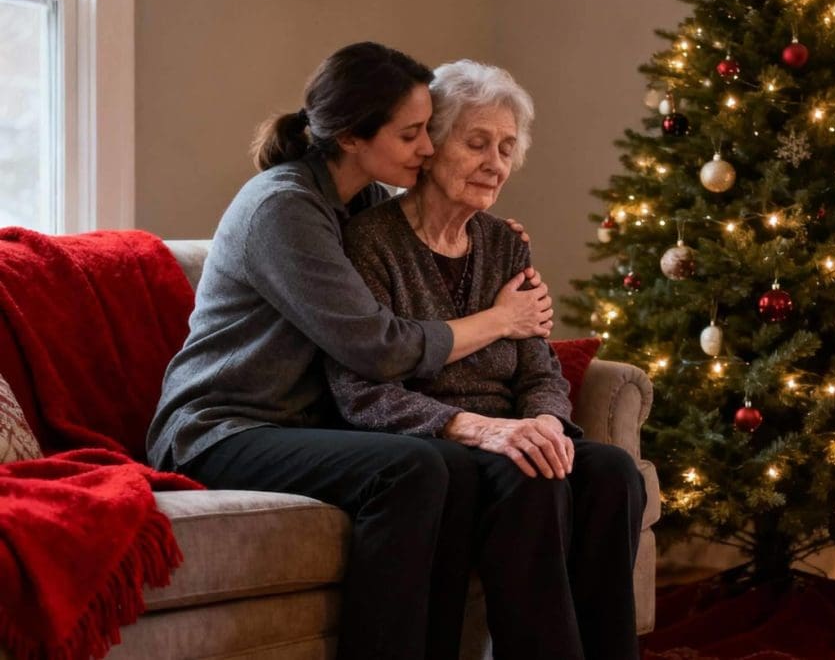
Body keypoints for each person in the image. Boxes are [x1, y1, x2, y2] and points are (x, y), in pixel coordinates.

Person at [146, 42, 554, 660]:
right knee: (413, 468)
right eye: (411, 134)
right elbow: (378, 347)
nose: (428, 148)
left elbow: (420, 235)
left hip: (303, 425)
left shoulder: (359, 200)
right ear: (351, 137)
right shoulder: (283, 208)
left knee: (447, 464)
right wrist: (500, 320)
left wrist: (488, 232)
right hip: (222, 428)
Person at [325, 59, 646, 660]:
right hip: (430, 437)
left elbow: (539, 367)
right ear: (430, 147)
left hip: (511, 431)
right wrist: (484, 430)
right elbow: (361, 391)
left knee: (611, 472)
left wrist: (547, 421)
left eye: (505, 147)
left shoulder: (505, 243)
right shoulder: (369, 242)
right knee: (532, 477)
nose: (495, 162)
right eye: (476, 143)